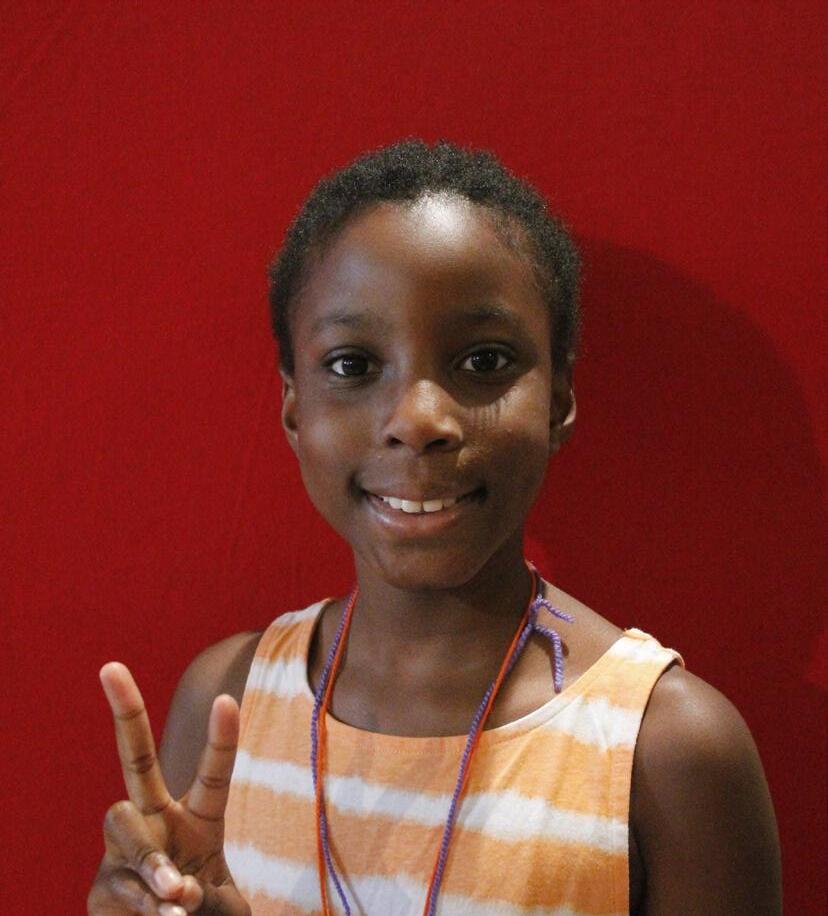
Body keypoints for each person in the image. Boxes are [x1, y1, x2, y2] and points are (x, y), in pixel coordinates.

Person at [88, 140, 781, 916]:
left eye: (483, 361)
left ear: (558, 399)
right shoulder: (229, 701)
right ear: (294, 409)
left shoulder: (664, 748)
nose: (418, 421)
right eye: (352, 365)